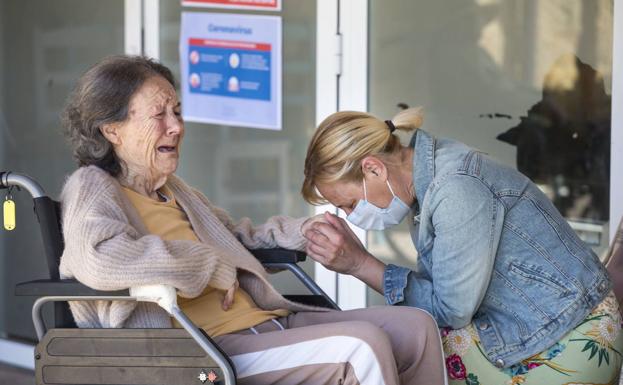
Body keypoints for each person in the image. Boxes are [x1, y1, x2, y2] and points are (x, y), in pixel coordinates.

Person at [58, 55, 446, 385]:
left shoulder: (174, 190)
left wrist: (301, 232)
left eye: (176, 111)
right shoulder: (93, 187)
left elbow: (235, 239)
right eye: (158, 115)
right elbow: (101, 258)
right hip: (203, 349)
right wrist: (209, 266)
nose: (176, 126)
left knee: (416, 327)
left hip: (265, 323)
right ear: (112, 130)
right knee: (360, 347)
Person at [301, 108, 623, 384]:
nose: (351, 216)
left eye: (349, 203)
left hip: (567, 338)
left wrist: (360, 264)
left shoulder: (455, 188)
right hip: (543, 322)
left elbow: (450, 311)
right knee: (392, 342)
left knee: (388, 355)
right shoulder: (431, 178)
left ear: (374, 168)